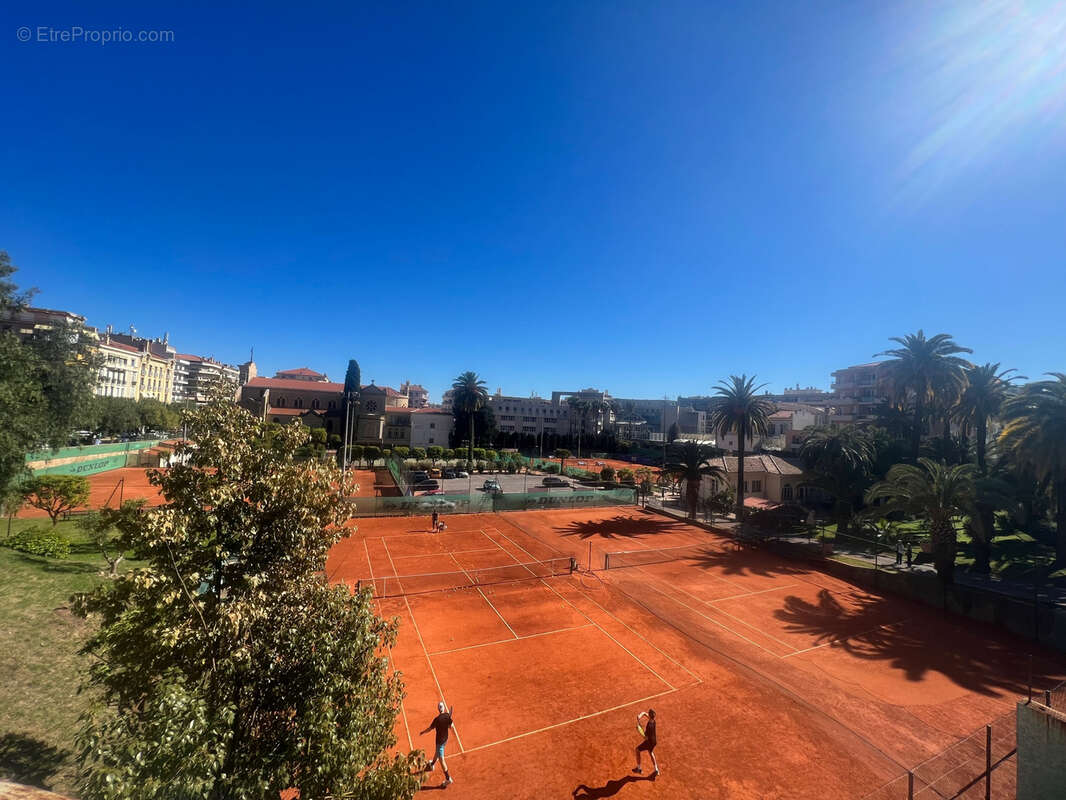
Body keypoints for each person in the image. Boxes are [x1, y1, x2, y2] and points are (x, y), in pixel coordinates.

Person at [420, 701, 454, 787]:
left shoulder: (436, 720)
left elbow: (430, 729)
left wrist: (423, 732)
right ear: (444, 708)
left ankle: (448, 778)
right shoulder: (447, 716)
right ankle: (432, 764)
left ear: (438, 709)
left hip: (440, 741)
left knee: (441, 759)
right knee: (437, 752)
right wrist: (448, 721)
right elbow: (451, 726)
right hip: (445, 739)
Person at [633, 708, 659, 776]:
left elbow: (645, 737)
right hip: (654, 741)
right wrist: (640, 716)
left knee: (637, 750)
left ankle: (639, 768)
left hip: (649, 742)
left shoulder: (649, 726)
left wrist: (639, 730)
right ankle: (656, 769)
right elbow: (644, 713)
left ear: (650, 716)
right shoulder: (653, 721)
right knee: (650, 752)